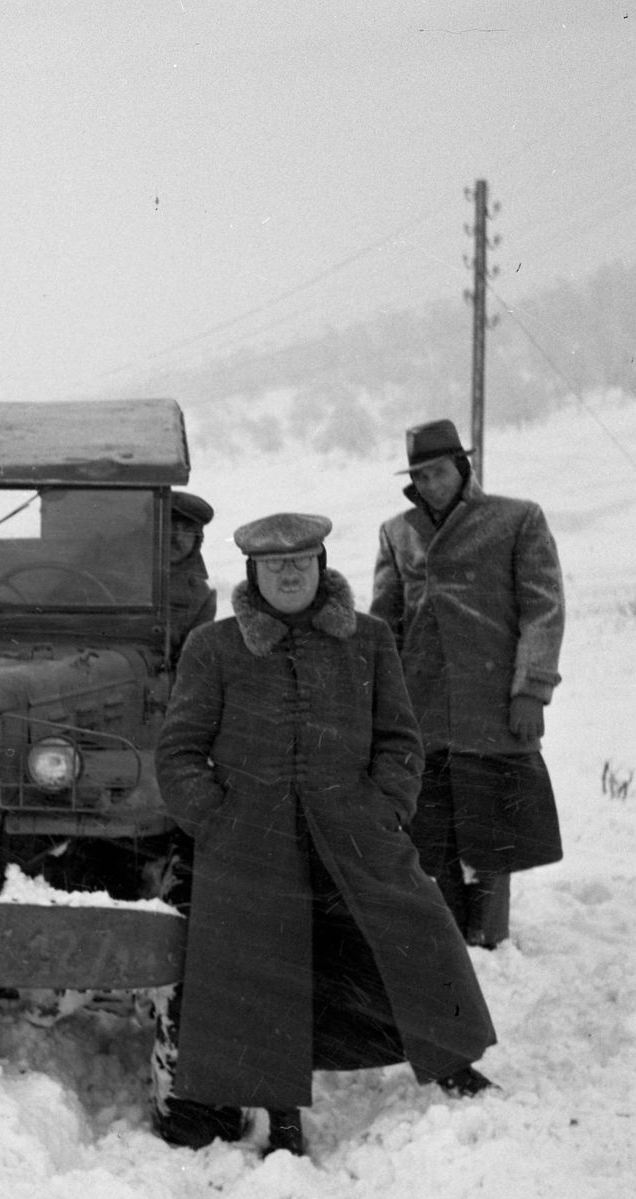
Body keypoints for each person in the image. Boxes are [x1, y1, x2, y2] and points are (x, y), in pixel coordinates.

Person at [154, 511, 499, 1158]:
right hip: (252, 844)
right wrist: (216, 821)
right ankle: (281, 1117)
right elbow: (177, 752)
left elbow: (400, 739)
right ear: (253, 573)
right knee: (264, 972)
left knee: (417, 935)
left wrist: (384, 805)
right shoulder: (214, 647)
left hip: (356, 832)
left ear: (320, 566)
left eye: (300, 561)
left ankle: (452, 1060)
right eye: (274, 565)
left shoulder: (366, 640)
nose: (288, 573)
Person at [371, 419, 565, 950]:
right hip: (422, 707)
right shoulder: (398, 531)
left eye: (437, 472)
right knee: (431, 832)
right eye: (420, 475)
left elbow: (543, 609)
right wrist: (378, 700)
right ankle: (450, 937)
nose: (429, 483)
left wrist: (532, 688)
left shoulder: (515, 519)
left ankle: (491, 938)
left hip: (492, 706)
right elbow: (385, 624)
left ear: (462, 468)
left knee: (493, 829)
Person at [167, 490, 218, 649]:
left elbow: (194, 661)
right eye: (172, 528)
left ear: (197, 540)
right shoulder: (120, 573)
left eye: (187, 530)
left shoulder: (201, 597)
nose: (178, 538)